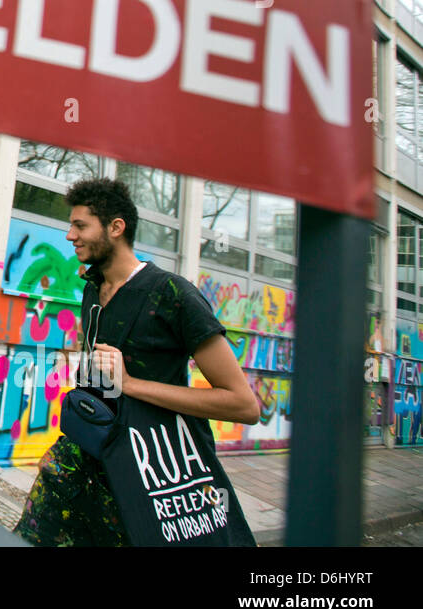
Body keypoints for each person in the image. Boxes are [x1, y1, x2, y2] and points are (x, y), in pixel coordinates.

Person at [13, 177, 261, 546]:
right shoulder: (93, 289)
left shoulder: (174, 295)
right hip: (84, 455)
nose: (70, 235)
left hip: (144, 475)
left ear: (116, 228)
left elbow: (243, 404)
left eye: (80, 225)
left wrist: (131, 384)